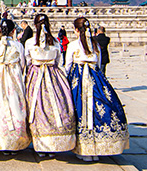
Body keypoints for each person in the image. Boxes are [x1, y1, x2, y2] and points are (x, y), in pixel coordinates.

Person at [66, 17, 129, 160]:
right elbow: (99, 65)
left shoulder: (73, 45)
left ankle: (84, 149)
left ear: (76, 30)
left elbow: (68, 65)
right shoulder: (96, 46)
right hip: (96, 80)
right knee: (100, 110)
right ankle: (98, 148)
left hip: (79, 79)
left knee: (80, 110)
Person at [24, 14, 76, 157]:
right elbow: (59, 61)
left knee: (37, 108)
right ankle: (54, 143)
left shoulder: (29, 42)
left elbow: (27, 60)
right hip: (54, 75)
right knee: (57, 106)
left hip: (36, 75)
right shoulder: (55, 41)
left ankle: (40, 145)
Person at [0, 19, 30, 152]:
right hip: (14, 78)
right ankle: (16, 139)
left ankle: (2, 140)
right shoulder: (18, 45)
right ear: (13, 31)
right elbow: (23, 64)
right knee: (16, 106)